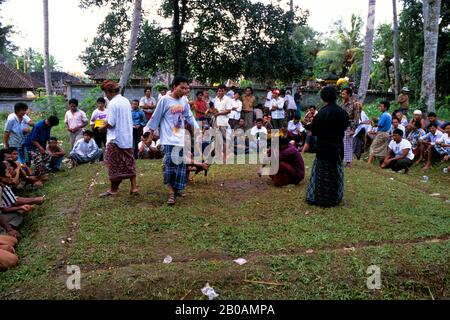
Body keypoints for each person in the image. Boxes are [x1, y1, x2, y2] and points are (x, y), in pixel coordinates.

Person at [146, 76, 206, 206]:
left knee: (180, 166)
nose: (185, 90)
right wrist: (150, 136)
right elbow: (155, 118)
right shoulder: (164, 100)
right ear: (174, 87)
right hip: (168, 139)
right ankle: (171, 193)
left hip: (180, 137)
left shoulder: (184, 100)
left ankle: (177, 189)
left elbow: (189, 116)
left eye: (186, 88)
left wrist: (197, 129)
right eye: (182, 87)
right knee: (170, 166)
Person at [306, 86, 349, 207]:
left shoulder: (322, 113)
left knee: (321, 173)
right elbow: (345, 127)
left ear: (323, 98)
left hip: (323, 148)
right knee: (336, 171)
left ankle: (319, 198)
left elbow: (314, 131)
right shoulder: (343, 113)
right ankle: (336, 197)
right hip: (337, 147)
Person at [99, 80, 138, 197]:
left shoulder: (112, 103)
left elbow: (111, 123)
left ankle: (113, 189)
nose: (105, 95)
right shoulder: (126, 101)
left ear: (110, 91)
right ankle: (134, 187)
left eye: (105, 92)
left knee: (113, 165)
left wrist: (101, 128)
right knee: (129, 161)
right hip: (127, 136)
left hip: (115, 138)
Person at [341, 87, 360, 166]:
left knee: (347, 143)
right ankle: (341, 159)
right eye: (342, 94)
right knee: (341, 143)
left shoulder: (355, 104)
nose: (342, 95)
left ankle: (348, 162)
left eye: (344, 94)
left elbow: (356, 117)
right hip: (341, 125)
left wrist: (353, 129)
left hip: (349, 125)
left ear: (348, 94)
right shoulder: (342, 103)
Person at [214, 84, 233, 157]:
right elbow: (215, 110)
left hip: (224, 122)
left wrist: (218, 113)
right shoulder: (216, 99)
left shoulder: (228, 99)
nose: (220, 92)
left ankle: (226, 154)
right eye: (219, 91)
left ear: (225, 91)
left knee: (225, 139)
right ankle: (219, 154)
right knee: (217, 139)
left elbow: (228, 111)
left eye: (222, 91)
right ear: (217, 91)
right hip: (216, 122)